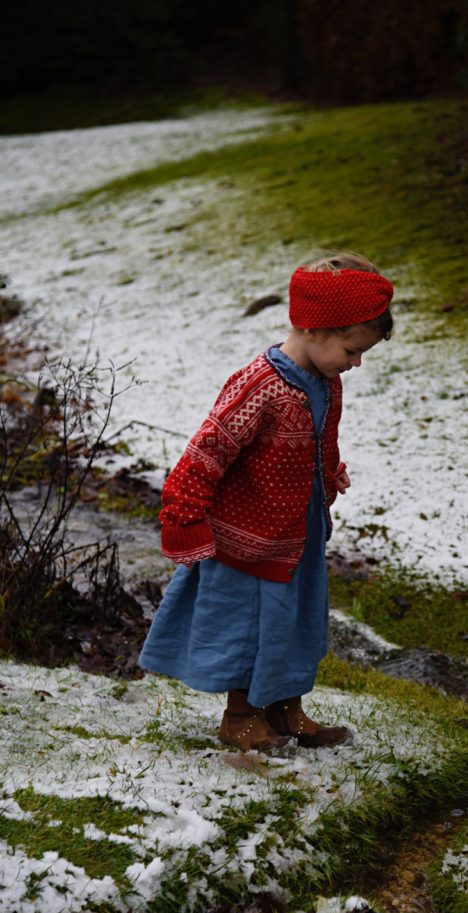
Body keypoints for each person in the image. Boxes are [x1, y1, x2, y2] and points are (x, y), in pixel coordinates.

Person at [139, 252, 394, 753]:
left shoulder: (326, 381)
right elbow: (206, 451)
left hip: (300, 530)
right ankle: (240, 717)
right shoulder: (258, 386)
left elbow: (318, 438)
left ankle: (286, 709)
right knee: (253, 624)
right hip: (249, 537)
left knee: (297, 620)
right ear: (316, 330)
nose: (356, 362)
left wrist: (328, 472)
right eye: (351, 349)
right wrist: (184, 513)